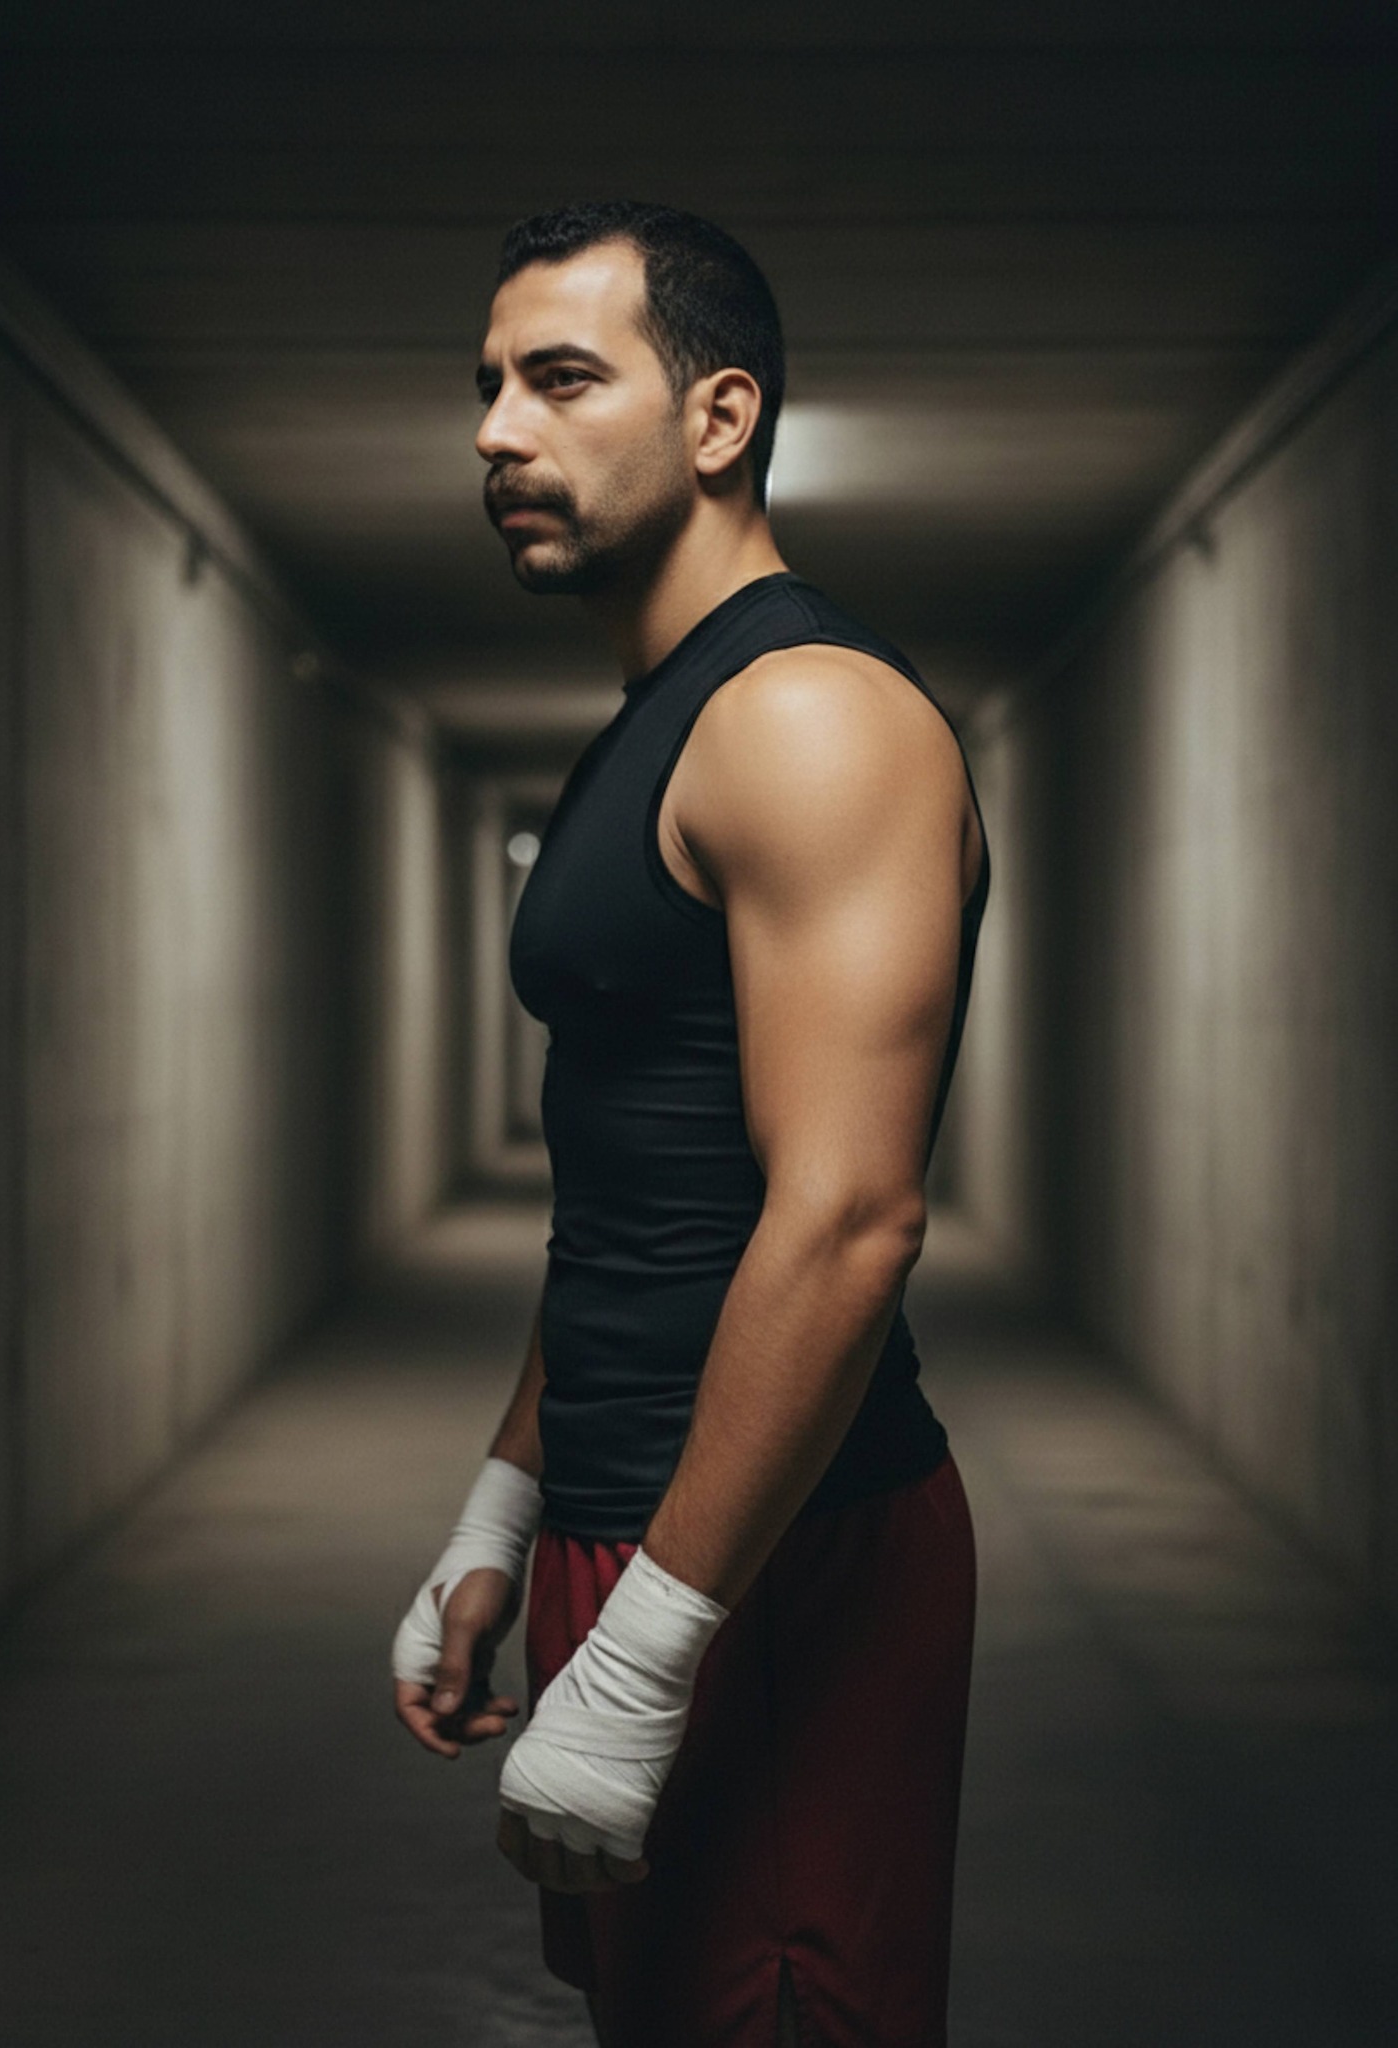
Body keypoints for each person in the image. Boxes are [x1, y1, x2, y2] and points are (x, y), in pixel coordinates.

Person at [391, 201, 990, 2048]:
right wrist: (512, 1500)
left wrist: (655, 1641)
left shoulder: (810, 719)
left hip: (769, 1555)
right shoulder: (651, 730)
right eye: (488, 385)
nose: (498, 429)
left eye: (562, 378)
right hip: (632, 1525)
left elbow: (845, 1217)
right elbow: (637, 1187)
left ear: (720, 418)